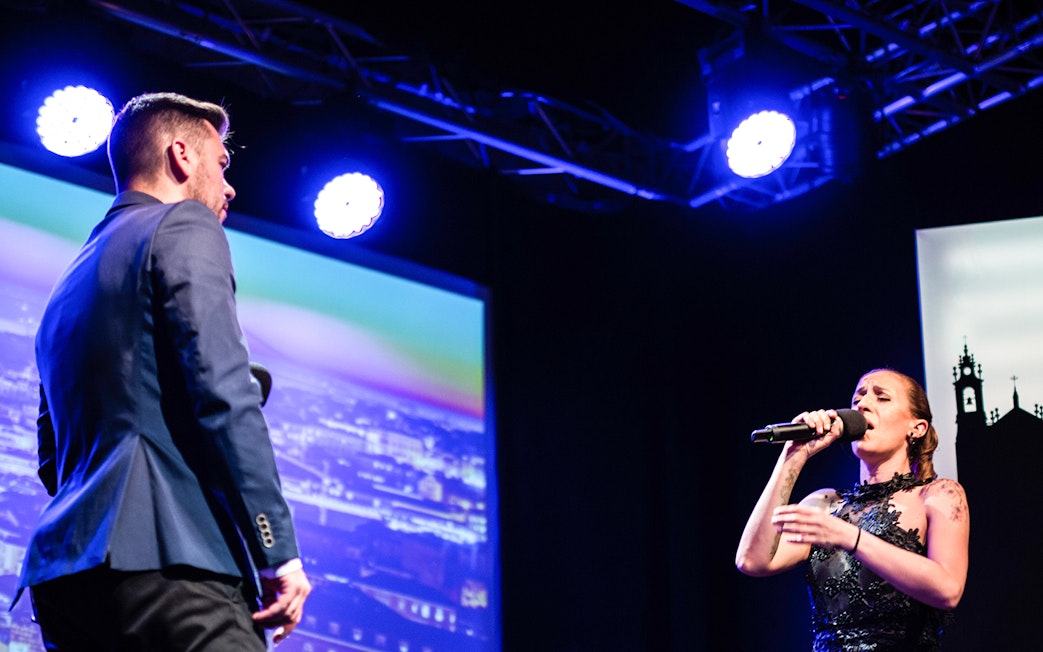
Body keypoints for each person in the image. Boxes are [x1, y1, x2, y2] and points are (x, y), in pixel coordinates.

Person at [17, 92, 311, 650]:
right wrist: (279, 554)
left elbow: (54, 461)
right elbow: (222, 392)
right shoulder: (185, 226)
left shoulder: (66, 286)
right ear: (182, 155)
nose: (229, 187)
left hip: (65, 582)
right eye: (221, 163)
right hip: (172, 569)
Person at [736, 368, 970, 651]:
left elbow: (948, 590)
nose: (863, 404)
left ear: (916, 428)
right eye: (858, 397)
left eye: (881, 398)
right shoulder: (825, 504)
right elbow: (752, 560)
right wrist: (793, 456)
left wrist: (852, 537)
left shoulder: (938, 495)